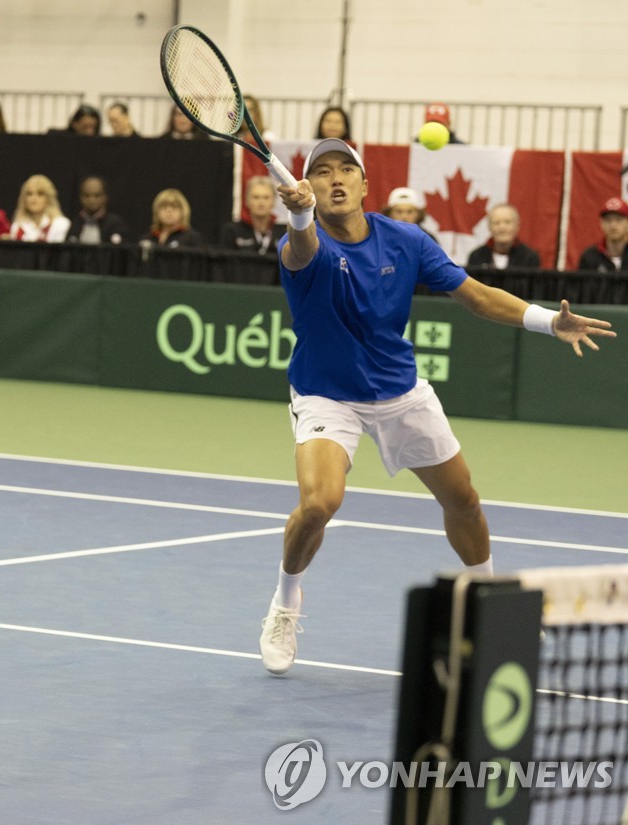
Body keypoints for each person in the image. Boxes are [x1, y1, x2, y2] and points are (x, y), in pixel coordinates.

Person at [259, 138, 615, 676]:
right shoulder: (302, 244)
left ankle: (490, 603)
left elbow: (475, 295)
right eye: (322, 171)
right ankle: (286, 602)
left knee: (464, 499)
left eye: (345, 170)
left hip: (400, 391)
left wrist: (548, 321)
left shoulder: (404, 239)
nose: (334, 179)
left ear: (364, 185)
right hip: (326, 395)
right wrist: (301, 216)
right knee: (319, 503)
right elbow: (302, 250)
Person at [219, 176, 287, 255]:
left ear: (274, 201)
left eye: (266, 197)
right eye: (256, 197)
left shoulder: (284, 233)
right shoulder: (232, 231)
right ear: (247, 200)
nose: (261, 202)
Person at [466, 204, 541, 270]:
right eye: (496, 223)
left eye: (507, 222)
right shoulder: (476, 257)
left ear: (517, 226)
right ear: (489, 227)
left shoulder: (529, 258)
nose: (502, 228)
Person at [65, 175, 129, 245]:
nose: (91, 200)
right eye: (86, 195)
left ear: (105, 197)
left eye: (97, 195)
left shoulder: (115, 225)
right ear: (80, 197)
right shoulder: (75, 224)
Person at [9, 174, 70, 242]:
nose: (34, 199)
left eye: (40, 194)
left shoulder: (60, 224)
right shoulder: (17, 227)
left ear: (49, 198)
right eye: (29, 194)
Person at [577, 197, 628, 273]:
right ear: (601, 223)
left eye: (618, 219)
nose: (613, 225)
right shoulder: (590, 257)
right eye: (608, 220)